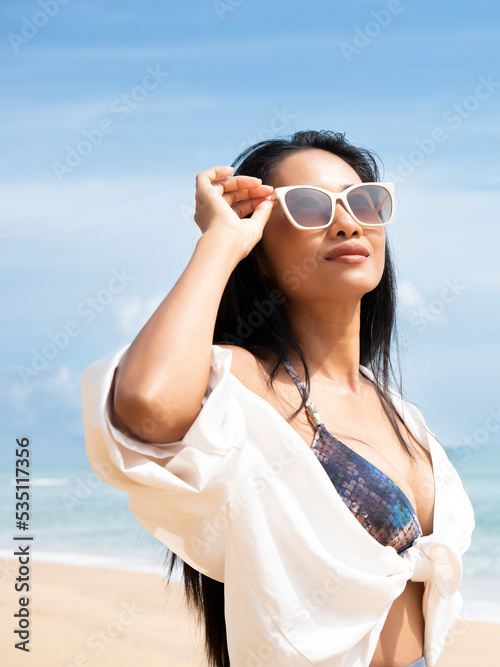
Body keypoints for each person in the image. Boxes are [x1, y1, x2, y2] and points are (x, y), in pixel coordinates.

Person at [80, 130, 475, 667]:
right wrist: (218, 241)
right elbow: (146, 407)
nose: (346, 220)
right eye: (309, 206)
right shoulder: (244, 380)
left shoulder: (400, 412)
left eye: (363, 200)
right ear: (261, 254)